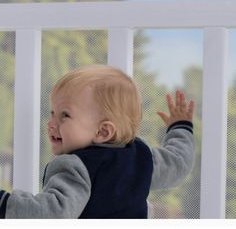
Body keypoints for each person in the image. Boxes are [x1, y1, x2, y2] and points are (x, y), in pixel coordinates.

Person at [0, 64, 195, 218]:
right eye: (53, 113)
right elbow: (178, 163)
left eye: (64, 115)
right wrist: (181, 127)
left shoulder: (77, 166)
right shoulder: (142, 155)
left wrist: (4, 203)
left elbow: (51, 212)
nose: (51, 123)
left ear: (103, 131)